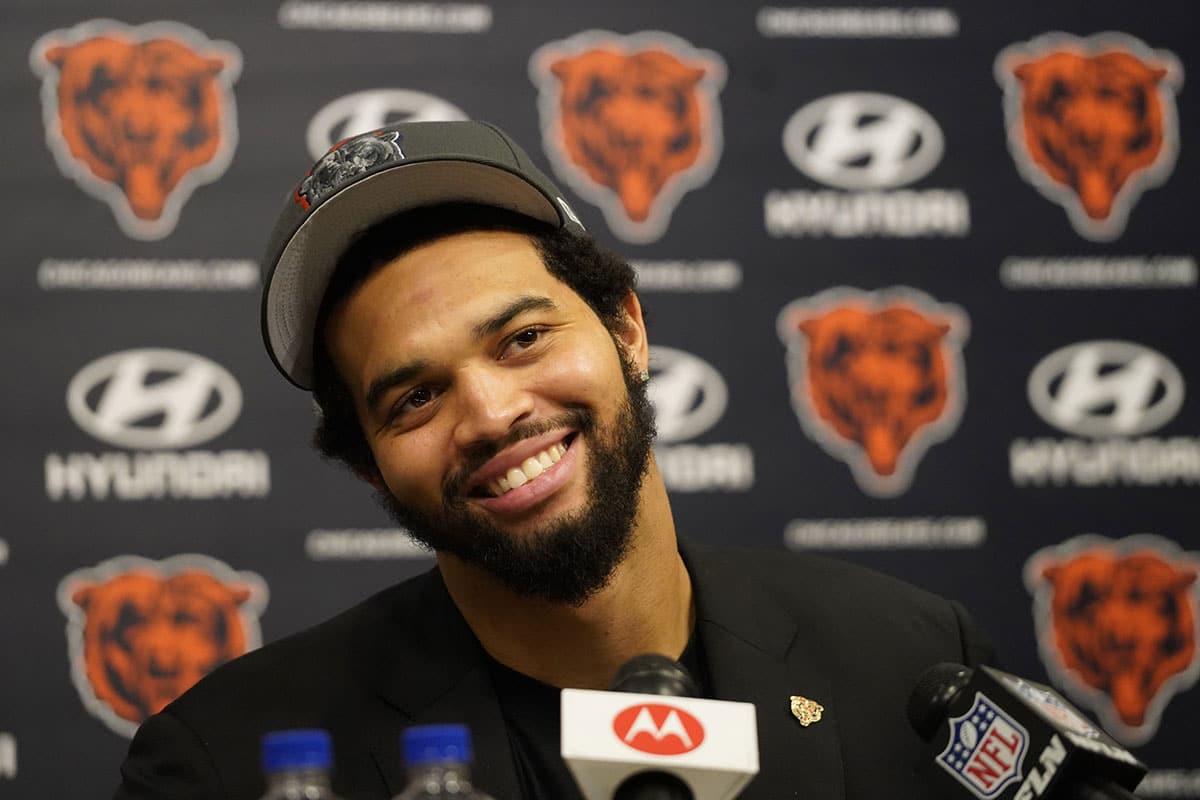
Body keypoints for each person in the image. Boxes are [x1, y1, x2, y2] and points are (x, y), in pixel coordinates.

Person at [114, 120, 993, 799]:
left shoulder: (914, 665)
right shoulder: (223, 764)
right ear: (368, 467)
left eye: (524, 338)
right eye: (415, 398)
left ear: (628, 331)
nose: (492, 415)